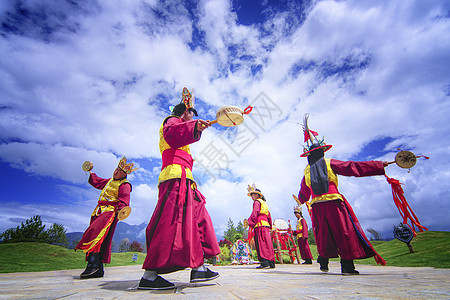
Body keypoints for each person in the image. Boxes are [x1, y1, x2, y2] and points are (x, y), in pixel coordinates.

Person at [138, 87, 221, 290]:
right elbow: (174, 135)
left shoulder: (183, 127)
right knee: (170, 223)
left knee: (197, 217)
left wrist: (195, 127)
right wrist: (194, 126)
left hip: (186, 180)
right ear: (184, 112)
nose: (192, 116)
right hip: (174, 178)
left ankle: (199, 267)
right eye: (191, 113)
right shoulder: (171, 121)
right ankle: (149, 276)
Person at [296, 115, 387, 275]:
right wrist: (377, 165)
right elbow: (351, 167)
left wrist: (301, 201)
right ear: (321, 152)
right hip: (334, 204)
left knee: (323, 234)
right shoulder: (329, 163)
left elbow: (303, 192)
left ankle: (323, 263)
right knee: (344, 233)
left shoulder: (307, 170)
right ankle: (347, 267)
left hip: (317, 206)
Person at [76, 156, 137, 279]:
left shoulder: (125, 185)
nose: (115, 171)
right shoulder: (110, 181)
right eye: (116, 169)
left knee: (96, 235)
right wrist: (90, 172)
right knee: (97, 236)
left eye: (119, 171)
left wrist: (120, 211)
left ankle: (93, 266)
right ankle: (97, 268)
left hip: (109, 212)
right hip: (98, 211)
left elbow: (124, 200)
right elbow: (97, 182)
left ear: (124, 174)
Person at [247, 184, 276, 269]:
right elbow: (269, 216)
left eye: (253, 194)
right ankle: (271, 262)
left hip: (259, 225)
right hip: (266, 225)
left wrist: (250, 222)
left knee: (261, 243)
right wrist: (270, 226)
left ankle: (264, 262)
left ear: (257, 195)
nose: (252, 197)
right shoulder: (264, 203)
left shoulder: (256, 202)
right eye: (251, 195)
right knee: (268, 243)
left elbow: (255, 213)